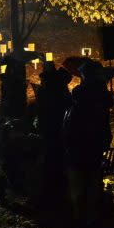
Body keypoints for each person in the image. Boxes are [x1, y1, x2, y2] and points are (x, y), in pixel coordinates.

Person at [62, 61, 113, 225]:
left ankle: (80, 216)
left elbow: (69, 129)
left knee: (79, 183)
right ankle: (91, 215)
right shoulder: (102, 101)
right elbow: (105, 128)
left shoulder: (77, 104)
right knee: (92, 181)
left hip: (78, 149)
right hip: (95, 147)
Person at [34, 64, 72, 202]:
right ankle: (58, 184)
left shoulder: (46, 93)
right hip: (58, 128)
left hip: (50, 128)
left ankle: (50, 186)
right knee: (57, 156)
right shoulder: (62, 91)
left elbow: (40, 110)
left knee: (50, 156)